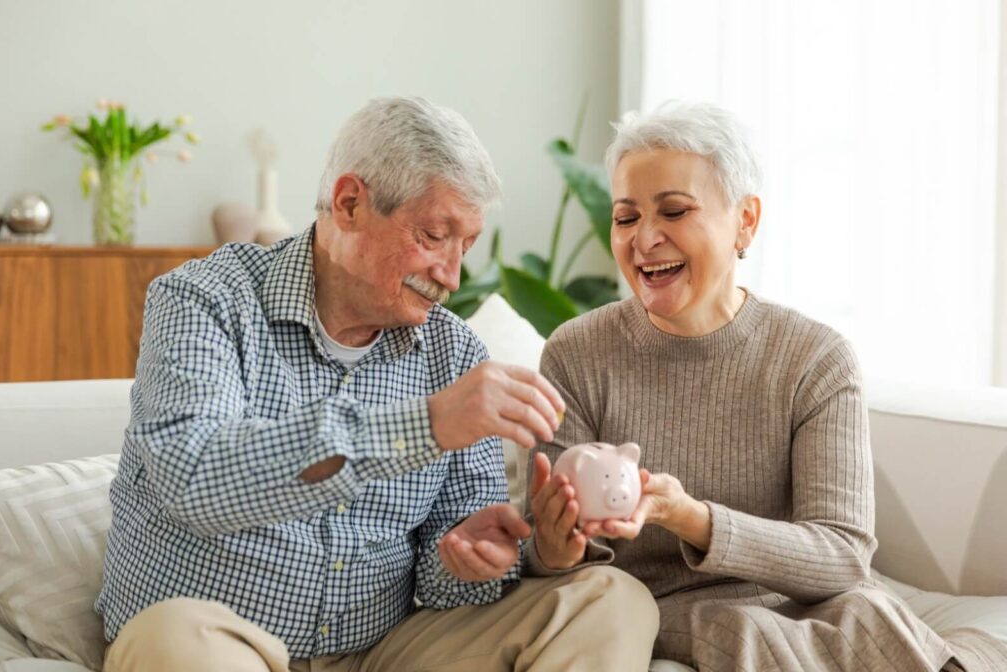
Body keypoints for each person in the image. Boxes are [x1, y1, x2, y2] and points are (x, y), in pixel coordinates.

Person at [96, 97, 658, 672]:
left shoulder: (455, 353)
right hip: (217, 637)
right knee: (174, 640)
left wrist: (484, 556)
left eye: (466, 246)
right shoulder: (205, 300)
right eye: (435, 235)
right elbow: (194, 479)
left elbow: (450, 584)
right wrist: (428, 424)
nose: (451, 274)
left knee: (615, 602)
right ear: (349, 204)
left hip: (379, 654)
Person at [525, 100, 1007, 671]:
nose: (644, 239)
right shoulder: (576, 354)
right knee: (740, 629)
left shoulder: (814, 358)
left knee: (866, 615)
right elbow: (554, 562)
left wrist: (690, 517)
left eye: (674, 212)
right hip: (657, 607)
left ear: (745, 221)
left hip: (806, 599)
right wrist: (555, 544)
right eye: (626, 218)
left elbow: (842, 557)